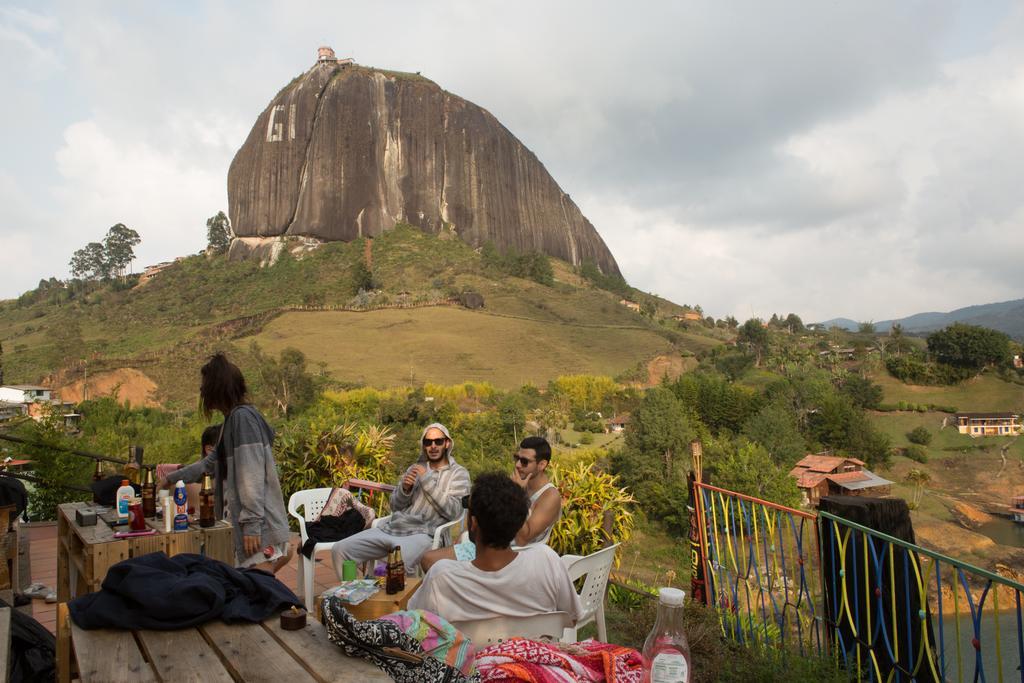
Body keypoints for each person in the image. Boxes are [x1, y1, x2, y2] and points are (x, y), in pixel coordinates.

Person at [169, 353, 293, 574]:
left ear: (216, 388)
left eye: (204, 386)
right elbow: (209, 464)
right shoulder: (231, 420)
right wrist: (169, 479)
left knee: (255, 592)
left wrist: (252, 527)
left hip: (258, 530)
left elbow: (251, 475)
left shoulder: (242, 420)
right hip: (249, 527)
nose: (201, 391)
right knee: (253, 590)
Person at [409, 472, 582, 624]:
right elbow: (571, 619)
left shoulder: (442, 576)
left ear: (474, 523)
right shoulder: (547, 561)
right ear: (519, 522)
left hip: (471, 661)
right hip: (531, 658)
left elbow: (418, 627)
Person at [330, 422, 470, 577]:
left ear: (447, 443)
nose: (433, 446)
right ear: (423, 446)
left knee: (399, 562)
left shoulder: (458, 473)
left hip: (424, 533)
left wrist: (426, 480)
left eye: (438, 441)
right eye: (428, 442)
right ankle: (355, 596)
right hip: (394, 528)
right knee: (340, 550)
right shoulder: (415, 468)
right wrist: (405, 489)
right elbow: (394, 505)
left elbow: (454, 512)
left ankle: (404, 601)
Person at [420, 435, 561, 572]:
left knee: (429, 561)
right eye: (516, 458)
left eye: (524, 461)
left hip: (509, 554)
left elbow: (522, 539)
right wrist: (470, 533)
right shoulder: (520, 483)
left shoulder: (549, 496)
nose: (517, 465)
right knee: (428, 559)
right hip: (491, 543)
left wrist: (517, 495)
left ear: (542, 464)